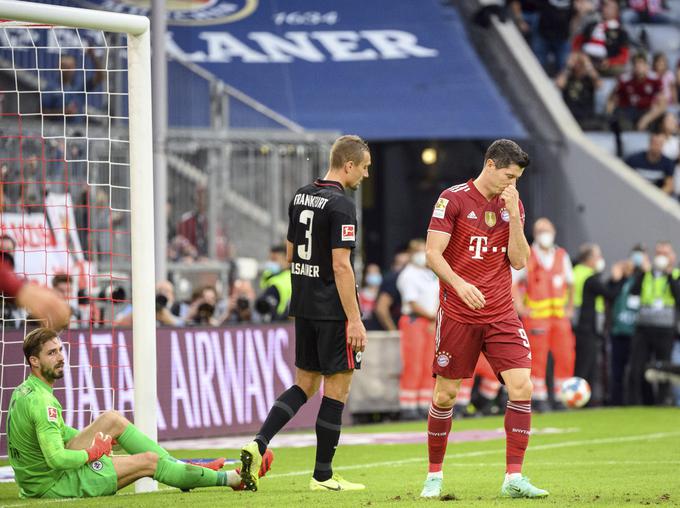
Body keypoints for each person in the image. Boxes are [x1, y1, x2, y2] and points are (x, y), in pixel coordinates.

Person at [238, 135, 370, 492]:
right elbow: (341, 266)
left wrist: (306, 292)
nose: (366, 175)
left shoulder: (301, 195)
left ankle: (258, 443)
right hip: (332, 310)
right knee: (336, 389)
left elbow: (290, 251)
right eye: (364, 167)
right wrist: (354, 319)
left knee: (305, 383)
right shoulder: (342, 206)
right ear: (348, 165)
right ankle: (323, 476)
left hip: (306, 306)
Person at [421, 139, 548, 499]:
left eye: (517, 178)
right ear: (490, 165)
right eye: (508, 176)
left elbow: (520, 261)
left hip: (500, 311)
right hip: (460, 312)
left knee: (522, 385)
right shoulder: (453, 198)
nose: (512, 184)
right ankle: (434, 475)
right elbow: (433, 253)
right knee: (445, 395)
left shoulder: (513, 203)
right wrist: (459, 285)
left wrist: (515, 218)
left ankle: (513, 478)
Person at [7, 327, 274, 499]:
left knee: (111, 419)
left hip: (36, 480)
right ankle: (234, 479)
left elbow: (60, 433)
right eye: (51, 353)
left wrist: (97, 442)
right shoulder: (44, 402)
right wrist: (93, 452)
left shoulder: (25, 391)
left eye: (60, 350)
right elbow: (56, 459)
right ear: (34, 361)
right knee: (149, 462)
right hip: (53, 485)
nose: (60, 357)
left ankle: (180, 468)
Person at [512, 218, 575, 411]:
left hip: (559, 318)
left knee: (565, 356)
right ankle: (539, 399)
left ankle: (562, 396)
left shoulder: (561, 255)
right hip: (536, 318)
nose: (544, 234)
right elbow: (514, 283)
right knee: (537, 359)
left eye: (546, 230)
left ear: (554, 231)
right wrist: (520, 308)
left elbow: (571, 284)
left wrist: (570, 307)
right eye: (540, 230)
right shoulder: (528, 254)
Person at [628, 241, 680, 405]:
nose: (661, 257)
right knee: (638, 366)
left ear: (672, 256)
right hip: (643, 327)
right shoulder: (646, 274)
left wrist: (669, 274)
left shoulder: (676, 274)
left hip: (665, 328)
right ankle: (637, 402)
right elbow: (633, 292)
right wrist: (642, 273)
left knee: (664, 367)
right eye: (659, 253)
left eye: (665, 253)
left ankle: (663, 401)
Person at [571, 243, 625, 401]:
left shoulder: (576, 272)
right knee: (585, 367)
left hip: (578, 324)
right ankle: (579, 400)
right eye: (597, 256)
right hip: (588, 327)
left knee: (586, 365)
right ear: (589, 259)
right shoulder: (590, 277)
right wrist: (619, 279)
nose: (600, 260)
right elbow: (611, 294)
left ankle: (589, 400)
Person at [396, 239, 439, 420]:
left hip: (429, 322)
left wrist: (434, 318)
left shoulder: (430, 274)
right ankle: (408, 407)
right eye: (418, 251)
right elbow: (412, 303)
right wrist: (432, 317)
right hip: (414, 321)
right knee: (413, 365)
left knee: (428, 365)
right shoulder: (408, 275)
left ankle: (423, 404)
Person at [0, 260, 70, 330]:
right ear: (53, 290)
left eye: (68, 291)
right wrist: (19, 289)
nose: (65, 295)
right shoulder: (33, 317)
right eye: (61, 291)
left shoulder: (76, 313)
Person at [257, 245, 292, 321]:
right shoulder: (269, 276)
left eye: (274, 259)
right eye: (269, 259)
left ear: (287, 261)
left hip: (283, 321)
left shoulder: (288, 279)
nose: (270, 262)